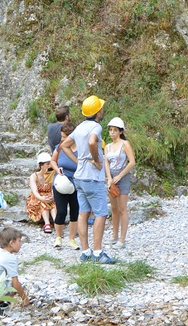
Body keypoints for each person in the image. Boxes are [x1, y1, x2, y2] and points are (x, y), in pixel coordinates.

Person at [61, 95, 114, 264]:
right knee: (101, 214)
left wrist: (78, 161)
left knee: (83, 213)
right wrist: (97, 160)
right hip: (92, 178)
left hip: (79, 177)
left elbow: (64, 145)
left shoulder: (79, 127)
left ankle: (85, 251)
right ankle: (98, 253)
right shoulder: (96, 127)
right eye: (101, 108)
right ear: (97, 112)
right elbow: (92, 142)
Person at [104, 117, 136, 249]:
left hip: (122, 177)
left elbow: (132, 162)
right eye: (110, 130)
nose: (112, 133)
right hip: (112, 178)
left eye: (115, 130)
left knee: (122, 208)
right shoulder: (107, 146)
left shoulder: (125, 144)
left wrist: (120, 175)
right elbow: (106, 162)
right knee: (114, 208)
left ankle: (122, 239)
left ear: (120, 131)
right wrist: (109, 178)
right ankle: (114, 235)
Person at [50, 123, 80, 249]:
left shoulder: (80, 149)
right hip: (61, 182)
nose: (62, 139)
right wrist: (57, 170)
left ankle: (72, 239)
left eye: (64, 137)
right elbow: (53, 161)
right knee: (61, 211)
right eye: (61, 137)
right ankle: (58, 237)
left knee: (75, 211)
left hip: (76, 183)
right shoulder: (60, 147)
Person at [25, 152, 57, 233]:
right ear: (41, 165)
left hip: (49, 195)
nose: (50, 166)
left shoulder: (52, 175)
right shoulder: (34, 176)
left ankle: (56, 221)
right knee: (44, 201)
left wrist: (52, 196)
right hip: (37, 198)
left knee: (52, 201)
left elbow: (53, 188)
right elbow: (35, 192)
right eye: (47, 164)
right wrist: (42, 198)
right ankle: (47, 223)